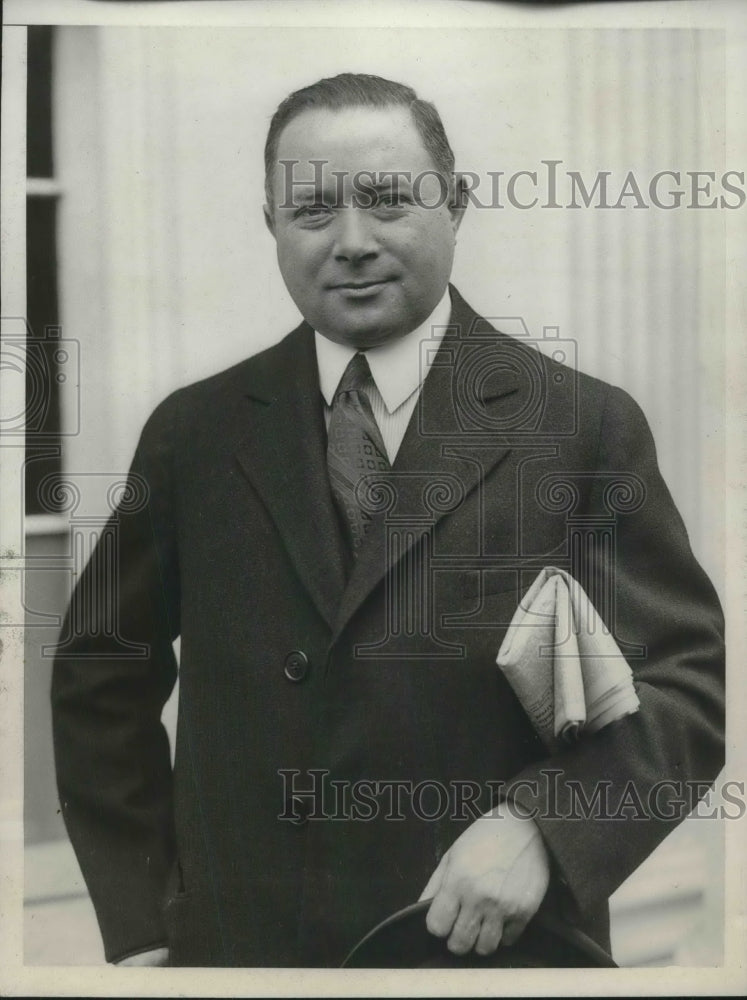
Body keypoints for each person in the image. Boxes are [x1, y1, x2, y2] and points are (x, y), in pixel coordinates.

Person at [51, 73, 725, 968]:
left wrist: (542, 827)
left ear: (457, 204)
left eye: (386, 200)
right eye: (312, 211)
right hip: (242, 963)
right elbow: (101, 677)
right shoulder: (195, 431)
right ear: (270, 227)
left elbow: (683, 685)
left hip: (494, 954)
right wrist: (141, 932)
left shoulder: (579, 424)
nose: (352, 242)